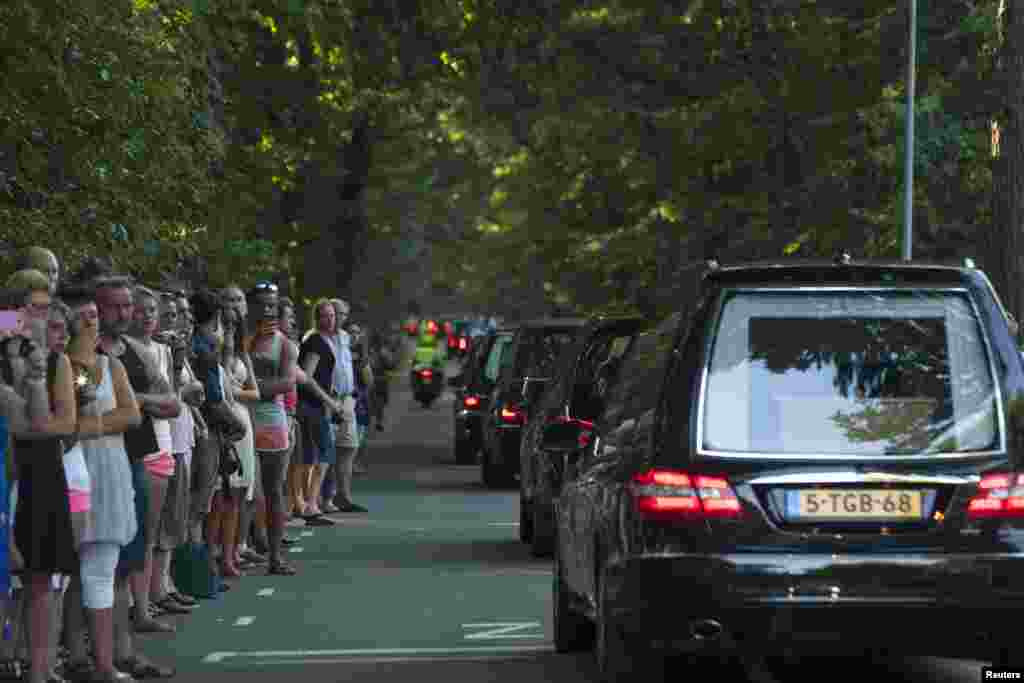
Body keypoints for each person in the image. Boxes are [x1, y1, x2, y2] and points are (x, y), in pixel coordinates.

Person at [92, 268, 176, 678]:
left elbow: (172, 402)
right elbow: (88, 406)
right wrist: (134, 406)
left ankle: (123, 652)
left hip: (135, 462)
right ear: (97, 308)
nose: (124, 313)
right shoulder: (84, 353)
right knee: (89, 567)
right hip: (96, 465)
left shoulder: (135, 352)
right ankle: (83, 654)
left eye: (128, 305)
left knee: (128, 562)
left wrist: (133, 399)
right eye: (116, 306)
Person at [59, 281, 143, 683]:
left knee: (101, 566)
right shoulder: (67, 365)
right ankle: (80, 657)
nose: (93, 322)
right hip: (73, 469)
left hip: (108, 469)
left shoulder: (111, 364)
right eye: (86, 316)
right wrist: (90, 423)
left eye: (96, 314)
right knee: (70, 569)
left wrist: (91, 426)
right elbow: (73, 412)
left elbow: (131, 415)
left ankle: (104, 660)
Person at [1, 270, 77, 683]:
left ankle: (41, 668)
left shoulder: (54, 360)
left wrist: (30, 417)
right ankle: (9, 656)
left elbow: (62, 425)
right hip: (6, 468)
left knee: (41, 573)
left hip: (42, 468)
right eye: (33, 307)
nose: (42, 316)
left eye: (47, 308)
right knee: (7, 574)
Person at [242, 283, 298, 575]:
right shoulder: (240, 339)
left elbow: (288, 383)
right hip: (240, 420)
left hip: (271, 422)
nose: (267, 310)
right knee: (242, 491)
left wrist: (249, 390)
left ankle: (276, 556)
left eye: (272, 306)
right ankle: (239, 548)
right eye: (261, 304)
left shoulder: (284, 344)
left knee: (273, 490)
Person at [296, 300, 341, 522]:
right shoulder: (314, 341)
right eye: (325, 315)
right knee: (325, 451)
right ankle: (311, 503)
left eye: (332, 315)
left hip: (317, 404)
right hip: (310, 405)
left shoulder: (326, 340)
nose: (330, 319)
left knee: (314, 454)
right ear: (317, 318)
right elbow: (307, 376)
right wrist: (328, 400)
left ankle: (307, 502)